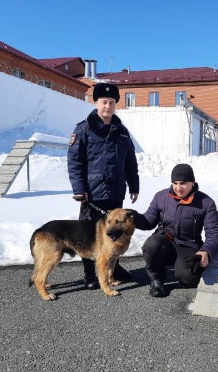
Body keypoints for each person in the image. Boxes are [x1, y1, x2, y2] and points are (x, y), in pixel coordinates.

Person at [67, 82, 139, 290]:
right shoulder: (83, 129)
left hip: (115, 192)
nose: (107, 106)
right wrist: (79, 189)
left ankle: (113, 269)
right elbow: (75, 162)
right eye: (104, 102)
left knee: (115, 231)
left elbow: (130, 162)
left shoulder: (122, 132)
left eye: (112, 102)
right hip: (91, 193)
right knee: (89, 236)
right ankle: (90, 273)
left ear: (116, 104)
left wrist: (134, 185)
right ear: (96, 102)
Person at [133, 163, 218, 297]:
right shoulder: (161, 197)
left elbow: (214, 232)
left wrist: (206, 250)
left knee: (189, 277)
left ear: (192, 182)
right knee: (151, 245)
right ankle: (156, 279)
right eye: (175, 183)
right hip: (165, 239)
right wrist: (131, 216)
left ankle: (182, 271)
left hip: (188, 244)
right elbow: (148, 221)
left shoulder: (206, 202)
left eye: (183, 183)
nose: (178, 188)